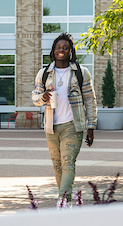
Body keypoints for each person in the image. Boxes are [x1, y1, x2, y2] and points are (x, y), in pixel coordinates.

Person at [32, 33, 97, 207]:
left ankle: (63, 200)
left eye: (65, 48)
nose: (61, 50)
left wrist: (90, 126)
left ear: (70, 51)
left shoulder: (80, 72)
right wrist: (43, 97)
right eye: (58, 47)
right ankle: (65, 199)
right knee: (58, 165)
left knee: (68, 163)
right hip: (51, 126)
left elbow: (90, 99)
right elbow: (34, 98)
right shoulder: (44, 73)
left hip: (72, 125)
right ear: (53, 51)